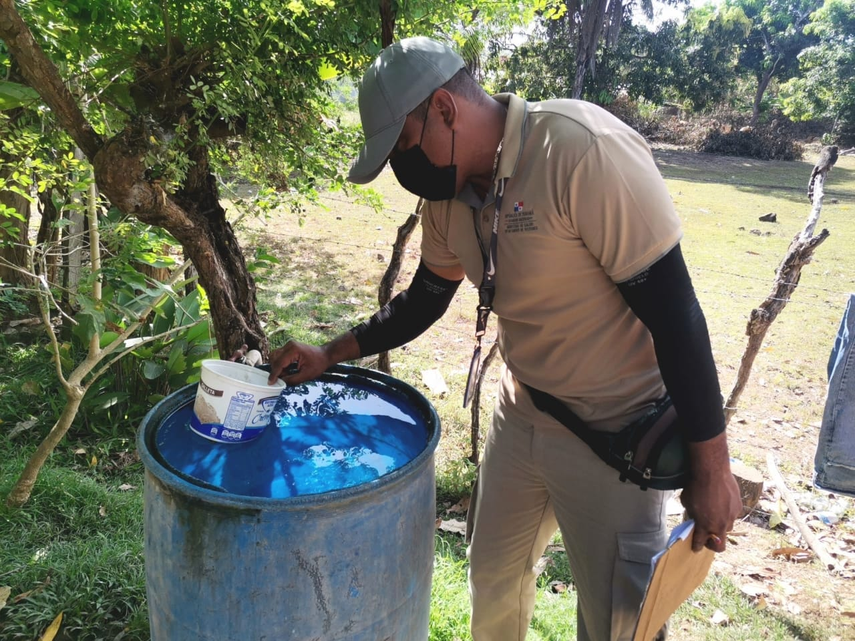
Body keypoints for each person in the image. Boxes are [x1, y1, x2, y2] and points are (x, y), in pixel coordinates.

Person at [266, 37, 742, 641]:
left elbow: (677, 314)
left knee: (620, 620)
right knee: (492, 578)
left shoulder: (579, 151)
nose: (401, 171)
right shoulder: (449, 195)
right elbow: (424, 300)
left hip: (616, 433)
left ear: (444, 109)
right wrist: (330, 353)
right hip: (522, 414)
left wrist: (712, 466)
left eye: (403, 148)